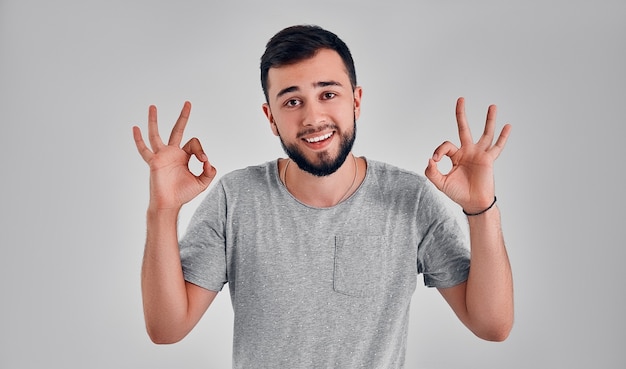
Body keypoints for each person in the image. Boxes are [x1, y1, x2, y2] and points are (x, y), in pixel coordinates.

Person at [132, 24, 513, 368]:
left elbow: (492, 325)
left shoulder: (409, 199)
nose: (313, 118)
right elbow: (167, 329)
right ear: (270, 117)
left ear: (356, 100)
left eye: (328, 93)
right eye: (292, 101)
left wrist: (482, 209)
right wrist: (162, 211)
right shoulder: (236, 198)